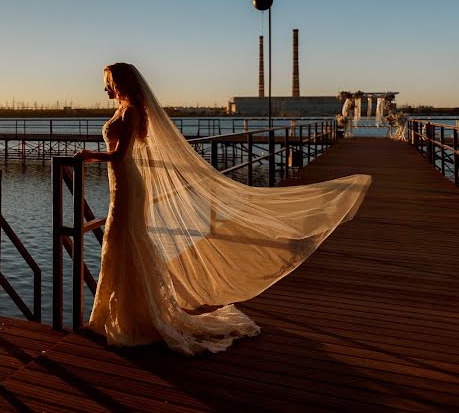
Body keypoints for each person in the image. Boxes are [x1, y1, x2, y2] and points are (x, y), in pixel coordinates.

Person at [75, 63, 371, 355]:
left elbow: (119, 155)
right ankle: (119, 315)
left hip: (127, 183)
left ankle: (134, 317)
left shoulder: (130, 112)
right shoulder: (124, 109)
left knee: (123, 239)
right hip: (122, 185)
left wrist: (89, 156)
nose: (105, 87)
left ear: (122, 83)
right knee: (123, 242)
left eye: (109, 82)